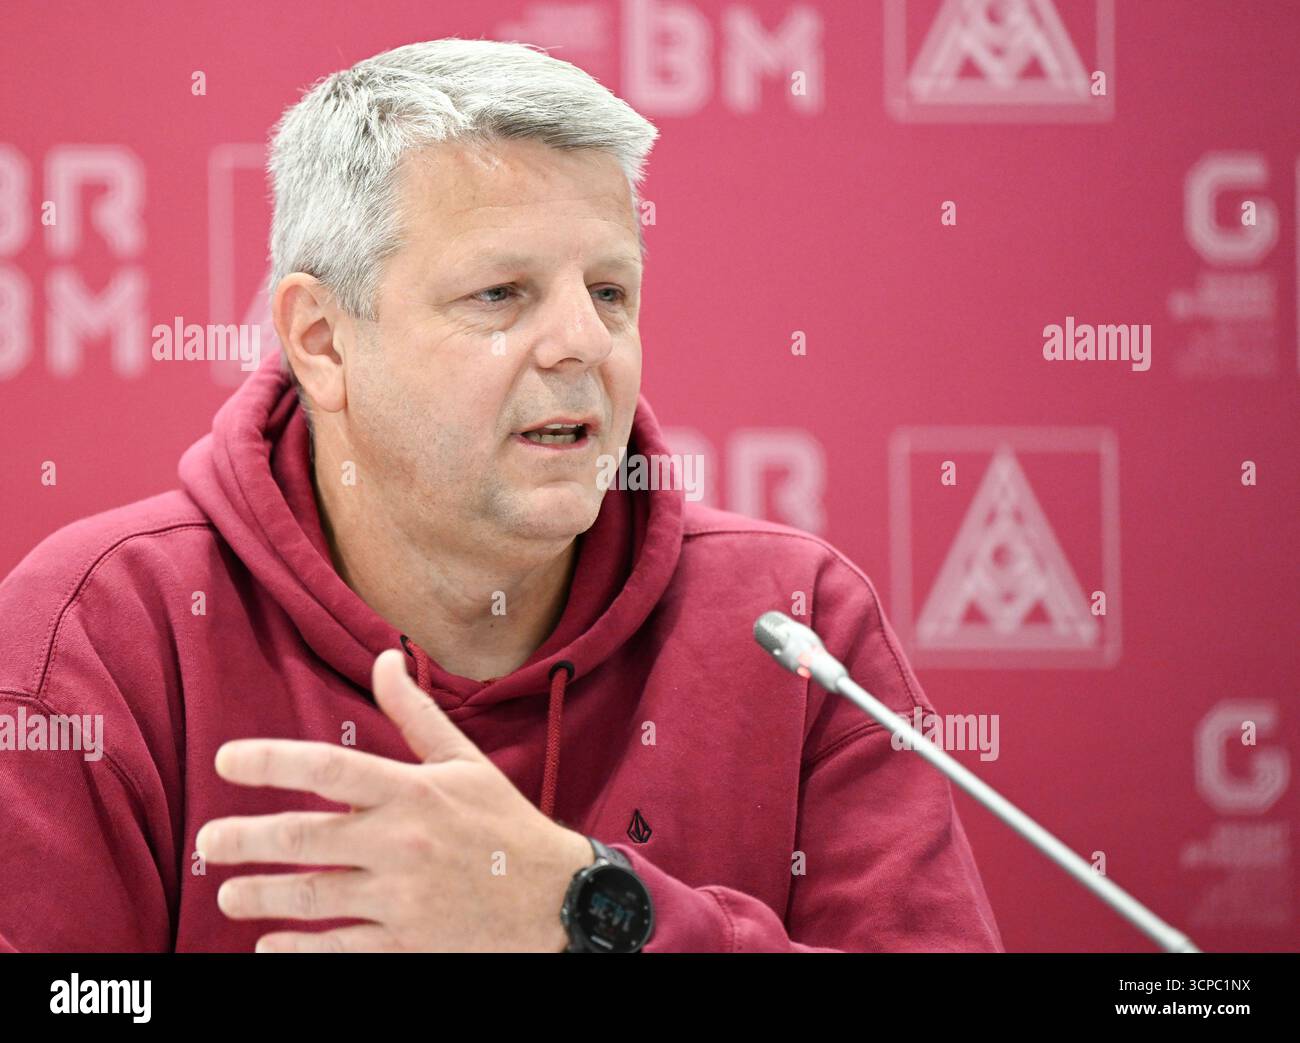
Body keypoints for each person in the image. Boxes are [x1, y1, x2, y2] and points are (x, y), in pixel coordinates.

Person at [0, 38, 1003, 952]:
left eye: (609, 291)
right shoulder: (101, 633)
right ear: (320, 338)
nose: (583, 344)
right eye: (500, 294)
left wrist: (595, 915)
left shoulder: (790, 625)